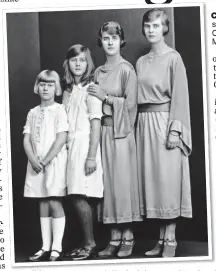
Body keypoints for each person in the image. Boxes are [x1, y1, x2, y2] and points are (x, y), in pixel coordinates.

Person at [136, 8, 192, 257]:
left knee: (168, 181)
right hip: (144, 124)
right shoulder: (140, 61)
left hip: (165, 121)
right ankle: (160, 239)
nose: (151, 29)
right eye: (148, 25)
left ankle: (171, 239)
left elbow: (180, 97)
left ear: (165, 29)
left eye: (156, 25)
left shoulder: (173, 57)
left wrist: (175, 131)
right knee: (154, 182)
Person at [87, 21, 142, 258]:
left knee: (121, 184)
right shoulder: (97, 72)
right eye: (106, 38)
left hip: (121, 133)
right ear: (101, 41)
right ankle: (114, 238)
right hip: (102, 134)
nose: (110, 43)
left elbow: (131, 106)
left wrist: (106, 96)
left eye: (114, 38)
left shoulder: (127, 70)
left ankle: (128, 237)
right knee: (107, 185)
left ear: (121, 41)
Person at [62, 44, 103, 260]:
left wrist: (90, 156)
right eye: (74, 60)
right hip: (69, 147)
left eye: (82, 60)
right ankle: (84, 242)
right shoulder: (68, 91)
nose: (78, 64)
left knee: (80, 195)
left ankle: (90, 243)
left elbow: (95, 125)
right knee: (74, 195)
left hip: (85, 146)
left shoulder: (92, 89)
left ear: (88, 64)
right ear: (68, 63)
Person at [23, 70, 68, 262]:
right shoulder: (33, 112)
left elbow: (61, 137)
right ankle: (45, 246)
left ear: (56, 88)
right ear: (37, 87)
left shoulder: (59, 110)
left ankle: (57, 247)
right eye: (42, 84)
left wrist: (46, 160)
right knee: (41, 201)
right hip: (35, 163)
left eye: (50, 85)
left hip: (54, 161)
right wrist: (33, 159)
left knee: (53, 200)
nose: (46, 88)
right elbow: (26, 138)